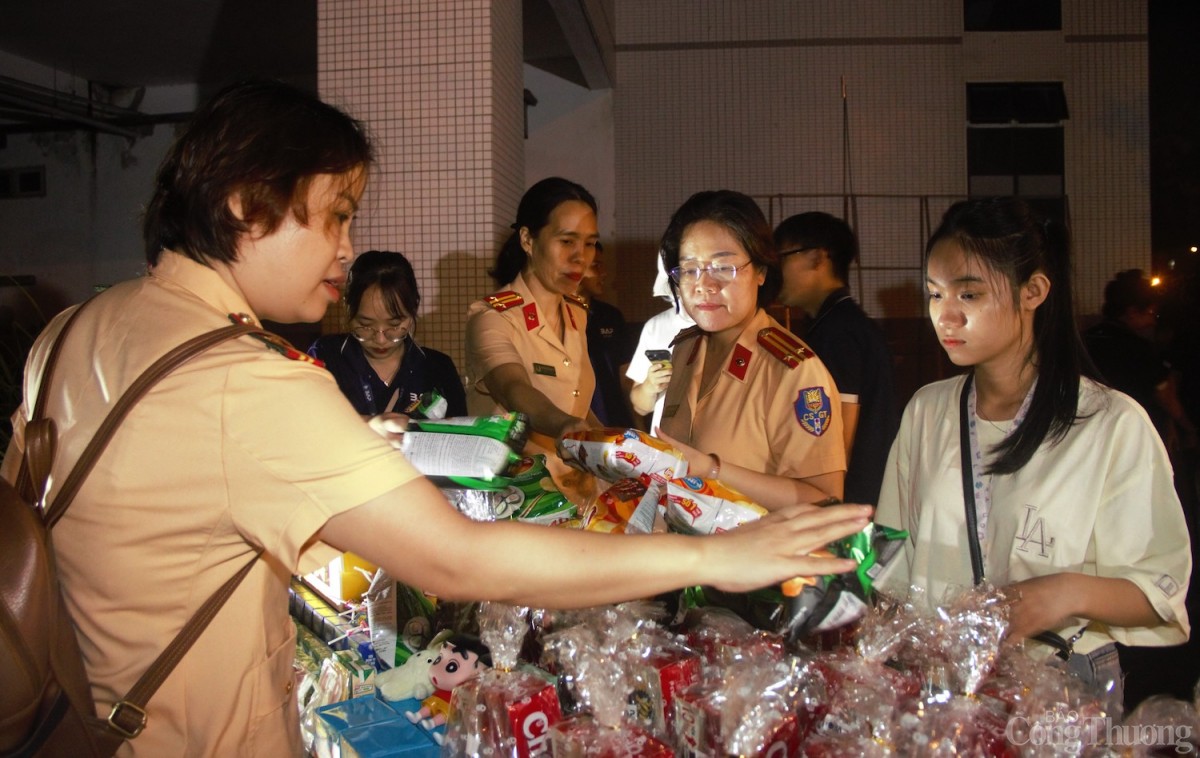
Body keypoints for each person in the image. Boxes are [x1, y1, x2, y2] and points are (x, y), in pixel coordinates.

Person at [0, 81, 874, 755]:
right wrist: (715, 558)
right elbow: (461, 561)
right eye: (335, 216)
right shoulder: (246, 381)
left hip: (86, 714)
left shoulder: (78, 324)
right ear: (245, 205)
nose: (348, 249)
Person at [875, 197, 1191, 695]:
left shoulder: (1109, 423)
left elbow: (1159, 591)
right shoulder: (928, 411)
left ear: (1034, 291)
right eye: (935, 295)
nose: (945, 316)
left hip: (1058, 683)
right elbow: (891, 554)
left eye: (969, 296)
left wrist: (1064, 592)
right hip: (940, 679)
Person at [654, 190, 848, 511]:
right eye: (689, 269)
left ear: (760, 270)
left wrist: (712, 471)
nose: (704, 285)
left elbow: (825, 502)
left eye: (723, 268)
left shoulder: (793, 371)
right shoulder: (686, 350)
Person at [464, 177, 603, 501]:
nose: (581, 257)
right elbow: (514, 389)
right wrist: (565, 425)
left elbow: (576, 401)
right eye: (567, 241)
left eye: (590, 243)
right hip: (519, 501)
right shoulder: (493, 316)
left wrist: (615, 439)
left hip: (578, 496)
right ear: (527, 239)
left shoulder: (576, 315)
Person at [774, 212, 900, 506]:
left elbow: (836, 436)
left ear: (818, 258)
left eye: (782, 258)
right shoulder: (840, 323)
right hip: (865, 496)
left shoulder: (838, 332)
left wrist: (821, 504)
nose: (775, 271)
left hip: (850, 502)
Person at [308, 250, 467, 419]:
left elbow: (461, 433)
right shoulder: (326, 355)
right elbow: (304, 423)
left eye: (394, 325)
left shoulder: (437, 367)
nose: (380, 340)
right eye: (365, 326)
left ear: (413, 309)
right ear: (348, 309)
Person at [1083, 269, 1196, 450]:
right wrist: (1189, 428)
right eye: (1151, 312)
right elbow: (1164, 396)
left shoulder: (1086, 339)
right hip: (1134, 435)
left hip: (1091, 432)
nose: (1153, 320)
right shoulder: (1137, 347)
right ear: (1133, 312)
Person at [627, 255, 694, 432]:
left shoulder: (728, 324)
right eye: (686, 272)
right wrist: (650, 386)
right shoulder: (656, 326)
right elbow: (640, 407)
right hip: (664, 449)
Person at [580, 250, 635, 428]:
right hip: (576, 422)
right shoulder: (555, 316)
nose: (604, 273)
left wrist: (638, 424)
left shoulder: (610, 315)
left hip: (614, 421)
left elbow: (625, 375)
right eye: (596, 265)